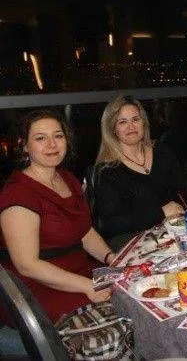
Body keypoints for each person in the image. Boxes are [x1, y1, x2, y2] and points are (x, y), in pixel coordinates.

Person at [0, 110, 114, 323]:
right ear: (24, 145)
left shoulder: (67, 179)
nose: (52, 144)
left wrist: (111, 258)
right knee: (117, 310)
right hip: (37, 288)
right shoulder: (18, 193)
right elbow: (27, 265)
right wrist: (87, 286)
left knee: (133, 288)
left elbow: (85, 232)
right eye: (40, 138)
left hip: (79, 273)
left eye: (58, 136)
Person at [92, 95, 187, 249]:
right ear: (113, 129)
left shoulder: (162, 152)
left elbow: (183, 193)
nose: (131, 127)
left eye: (135, 119)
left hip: (174, 233)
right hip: (136, 244)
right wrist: (160, 213)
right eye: (122, 122)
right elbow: (111, 224)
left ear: (144, 122)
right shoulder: (106, 171)